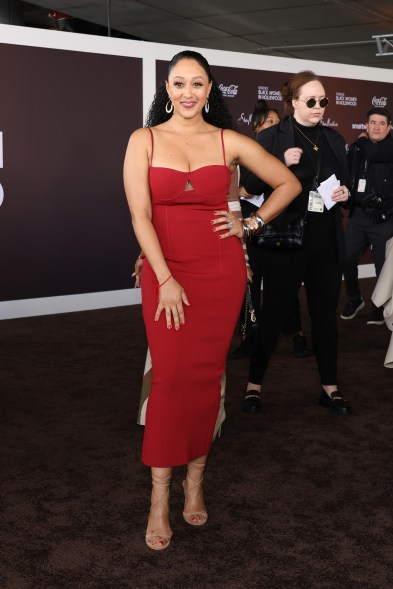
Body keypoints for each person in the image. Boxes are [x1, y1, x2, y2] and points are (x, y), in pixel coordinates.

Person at [123, 50, 301, 551]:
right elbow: (140, 214)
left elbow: (289, 183)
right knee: (171, 378)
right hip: (167, 272)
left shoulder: (227, 141)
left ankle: (194, 481)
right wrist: (165, 277)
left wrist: (250, 222)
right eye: (178, 83)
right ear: (166, 87)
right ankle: (159, 496)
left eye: (197, 84)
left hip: (220, 272)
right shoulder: (144, 139)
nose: (187, 92)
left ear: (209, 90)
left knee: (207, 378)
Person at [240, 70, 352, 417]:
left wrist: (345, 194)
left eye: (324, 101)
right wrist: (279, 165)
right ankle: (253, 386)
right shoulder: (271, 137)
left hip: (326, 242)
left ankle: (329, 388)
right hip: (285, 241)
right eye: (312, 101)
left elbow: (343, 186)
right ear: (292, 102)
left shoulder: (334, 139)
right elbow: (250, 186)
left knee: (324, 317)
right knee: (273, 315)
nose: (319, 107)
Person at [231, 100, 309, 374]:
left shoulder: (291, 153)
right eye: (268, 123)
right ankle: (248, 340)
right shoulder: (244, 154)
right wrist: (244, 190)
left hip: (280, 227)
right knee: (249, 288)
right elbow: (243, 189)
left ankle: (296, 334)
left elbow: (288, 188)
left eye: (278, 122)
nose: (274, 128)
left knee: (282, 286)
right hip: (249, 231)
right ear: (257, 128)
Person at [340, 107, 393, 325]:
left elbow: (373, 153)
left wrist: (360, 141)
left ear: (389, 127)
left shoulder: (387, 147)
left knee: (382, 266)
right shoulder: (357, 149)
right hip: (359, 215)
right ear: (366, 125)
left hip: (384, 218)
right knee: (345, 257)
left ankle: (379, 306)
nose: (377, 127)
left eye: (382, 123)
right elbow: (349, 173)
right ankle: (355, 298)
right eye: (373, 123)